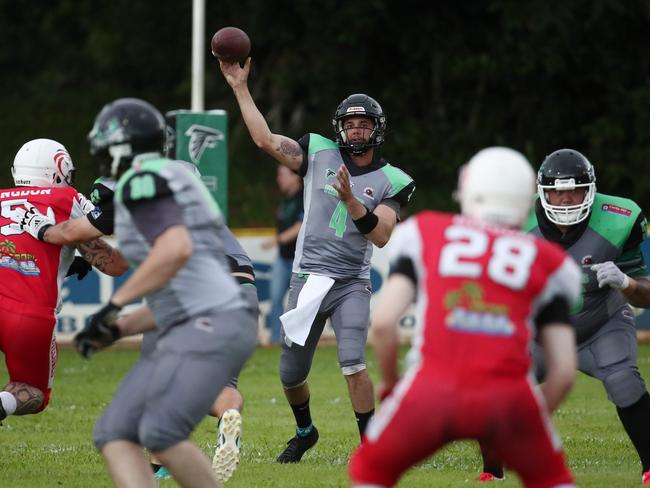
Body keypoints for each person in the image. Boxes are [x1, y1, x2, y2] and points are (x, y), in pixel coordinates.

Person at [15, 121, 258, 484]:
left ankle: (155, 464)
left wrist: (40, 229)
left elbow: (80, 237)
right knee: (219, 384)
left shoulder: (121, 186)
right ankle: (222, 421)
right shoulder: (184, 172)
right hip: (239, 283)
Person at [220, 57, 415, 463]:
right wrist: (240, 87)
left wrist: (349, 199)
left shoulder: (394, 179)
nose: (356, 130)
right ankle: (305, 431)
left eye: (363, 124)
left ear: (377, 129)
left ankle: (373, 447)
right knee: (290, 375)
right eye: (350, 124)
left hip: (350, 283)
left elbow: (380, 235)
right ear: (339, 128)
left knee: (352, 362)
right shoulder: (319, 152)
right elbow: (265, 140)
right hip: (307, 278)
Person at [349, 147, 581, 488]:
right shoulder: (552, 262)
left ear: (468, 189)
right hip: (508, 397)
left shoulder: (425, 231)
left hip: (431, 389)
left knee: (370, 473)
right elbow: (562, 373)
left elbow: (383, 324)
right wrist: (525, 420)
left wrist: (393, 385)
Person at [516, 148, 650, 485]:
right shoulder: (514, 217)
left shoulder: (621, 217)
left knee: (624, 381)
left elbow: (647, 293)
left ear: (591, 189)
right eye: (557, 191)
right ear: (541, 192)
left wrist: (628, 282)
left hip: (600, 324)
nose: (565, 199)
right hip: (539, 331)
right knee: (499, 386)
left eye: (574, 189)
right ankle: (493, 471)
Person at [0, 138, 126, 423]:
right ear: (59, 169)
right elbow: (115, 265)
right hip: (27, 312)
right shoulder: (66, 198)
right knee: (30, 392)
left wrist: (61, 264)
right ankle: (3, 402)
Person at [262, 165, 303, 344]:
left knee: (302, 304)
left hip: (301, 261)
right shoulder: (285, 199)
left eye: (283, 175)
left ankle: (300, 341)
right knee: (276, 298)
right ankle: (275, 341)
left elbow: (300, 226)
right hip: (283, 258)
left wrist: (277, 240)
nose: (279, 179)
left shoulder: (304, 198)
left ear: (295, 177)